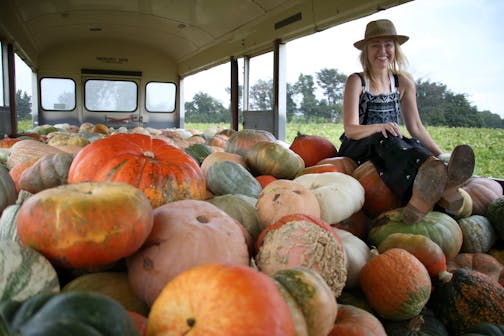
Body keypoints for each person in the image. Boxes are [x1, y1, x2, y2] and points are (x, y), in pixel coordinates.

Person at [338, 19, 475, 224]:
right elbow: (350, 129)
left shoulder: (403, 82)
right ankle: (434, 187)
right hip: (360, 145)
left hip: (392, 145)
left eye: (388, 44)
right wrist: (379, 126)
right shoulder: (357, 81)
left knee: (411, 143)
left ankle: (437, 181)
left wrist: (440, 154)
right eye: (375, 45)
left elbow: (416, 127)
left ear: (396, 48)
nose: (382, 51)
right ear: (366, 51)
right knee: (387, 138)